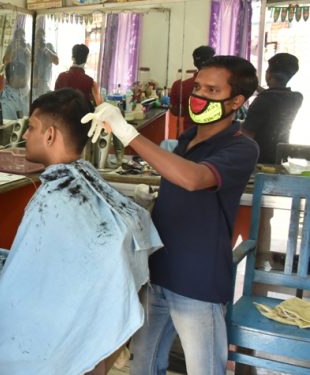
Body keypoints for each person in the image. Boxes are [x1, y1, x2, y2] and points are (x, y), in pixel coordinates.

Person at [0, 89, 161, 374]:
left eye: (31, 128)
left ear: (50, 135)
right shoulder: (79, 180)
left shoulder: (56, 196)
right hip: (84, 312)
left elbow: (28, 282)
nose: (25, 135)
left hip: (41, 335)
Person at [83, 55, 259, 374]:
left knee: (204, 369)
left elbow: (193, 179)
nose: (199, 95)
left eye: (211, 89)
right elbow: (179, 183)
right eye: (198, 87)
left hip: (197, 279)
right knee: (144, 365)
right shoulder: (187, 138)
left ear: (236, 101)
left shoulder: (241, 147)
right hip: (159, 270)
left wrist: (127, 132)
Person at [243, 52, 303, 164]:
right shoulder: (296, 98)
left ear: (269, 74)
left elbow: (247, 136)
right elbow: (273, 96)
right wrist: (255, 85)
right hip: (280, 155)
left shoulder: (262, 100)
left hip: (259, 158)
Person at [169, 46, 216, 133]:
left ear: (194, 63)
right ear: (213, 62)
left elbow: (176, 112)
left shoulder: (180, 85)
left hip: (190, 134)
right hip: (215, 135)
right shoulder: (222, 85)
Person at [31, 28, 58, 97]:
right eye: (37, 37)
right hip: (34, 84)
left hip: (45, 84)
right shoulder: (32, 48)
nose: (39, 39)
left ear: (44, 37)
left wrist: (44, 49)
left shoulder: (48, 46)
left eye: (41, 37)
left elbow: (56, 62)